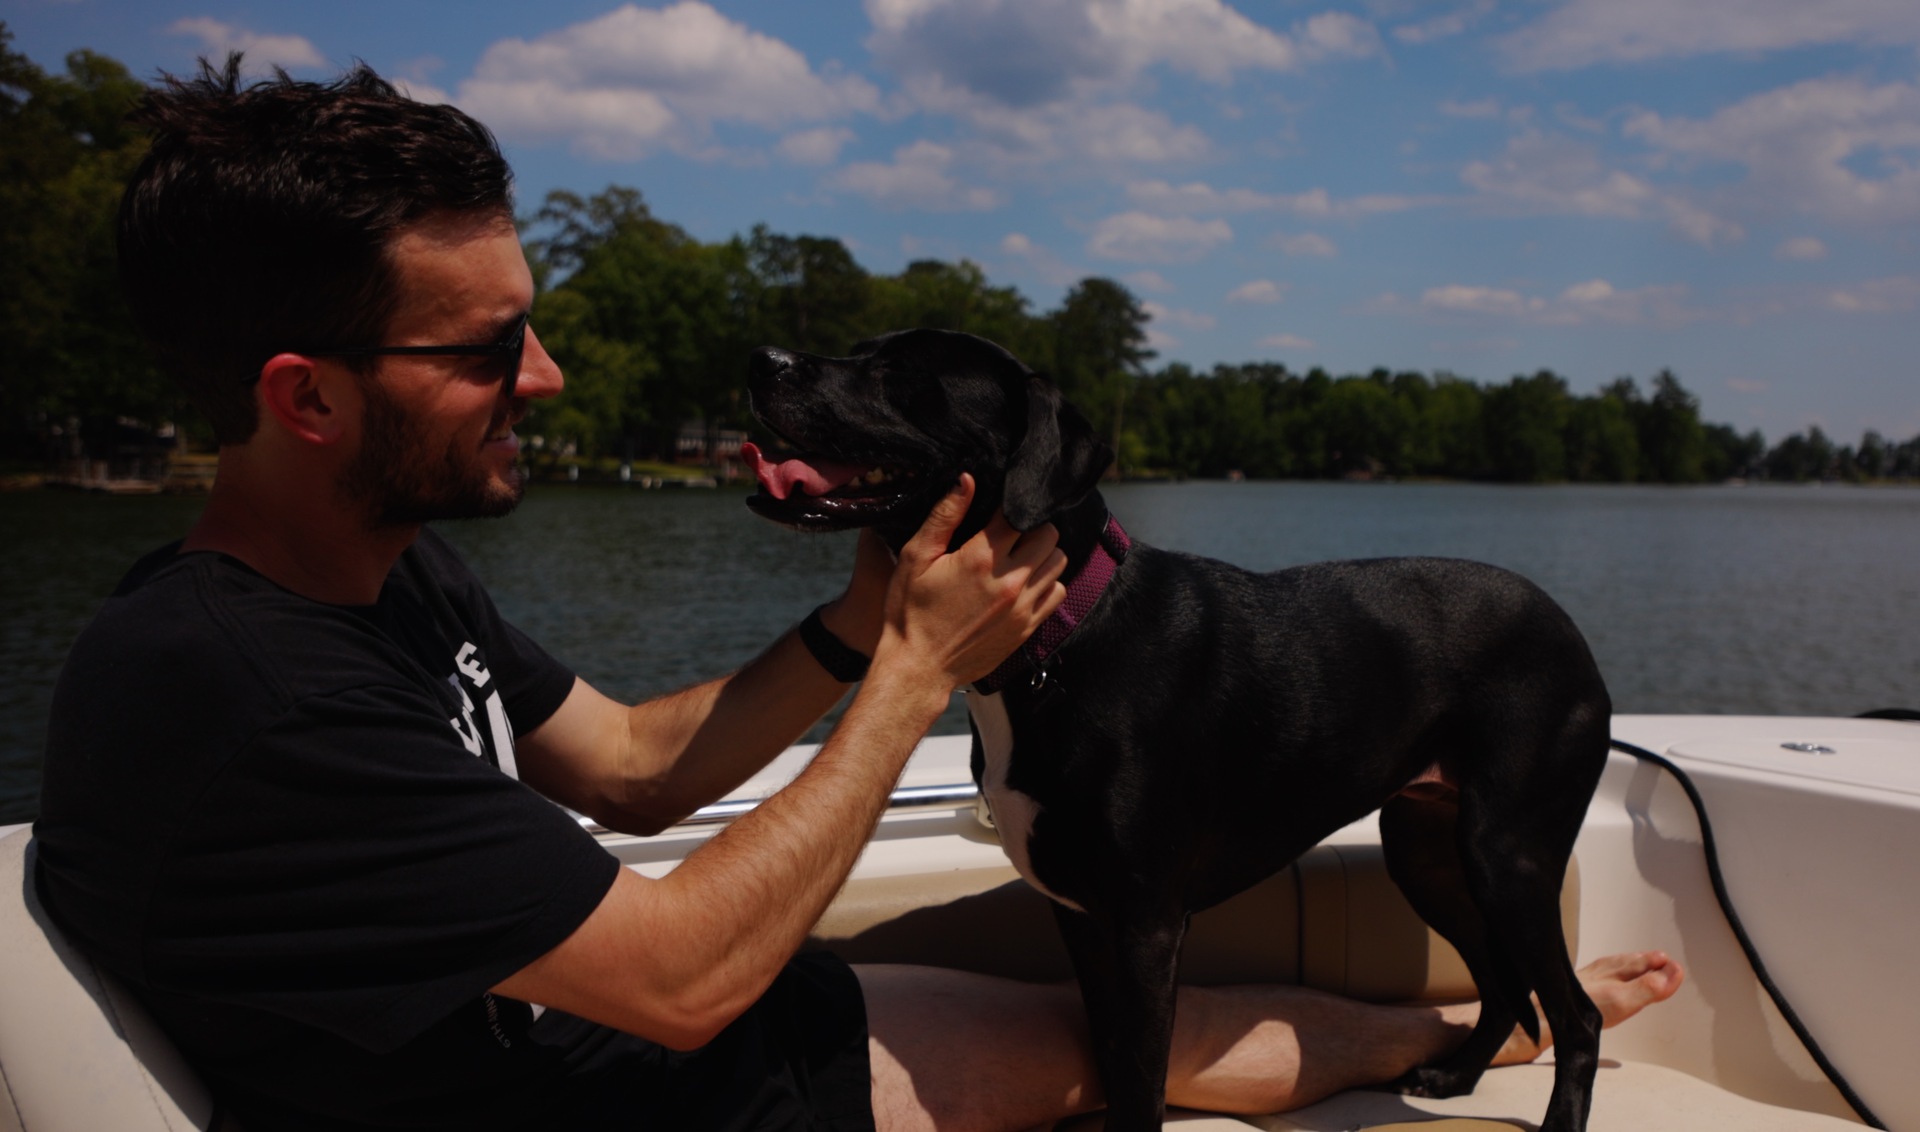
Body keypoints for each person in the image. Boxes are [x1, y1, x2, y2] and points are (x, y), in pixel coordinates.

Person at [33, 59, 1682, 1132]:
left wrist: (855, 616)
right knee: (1099, 1038)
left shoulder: (376, 575)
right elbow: (676, 974)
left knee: (1080, 957)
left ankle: (1491, 1009)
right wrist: (907, 679)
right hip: (643, 1088)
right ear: (306, 398)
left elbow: (630, 766)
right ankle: (1499, 1028)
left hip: (627, 1045)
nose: (544, 374)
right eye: (484, 349)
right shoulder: (237, 688)